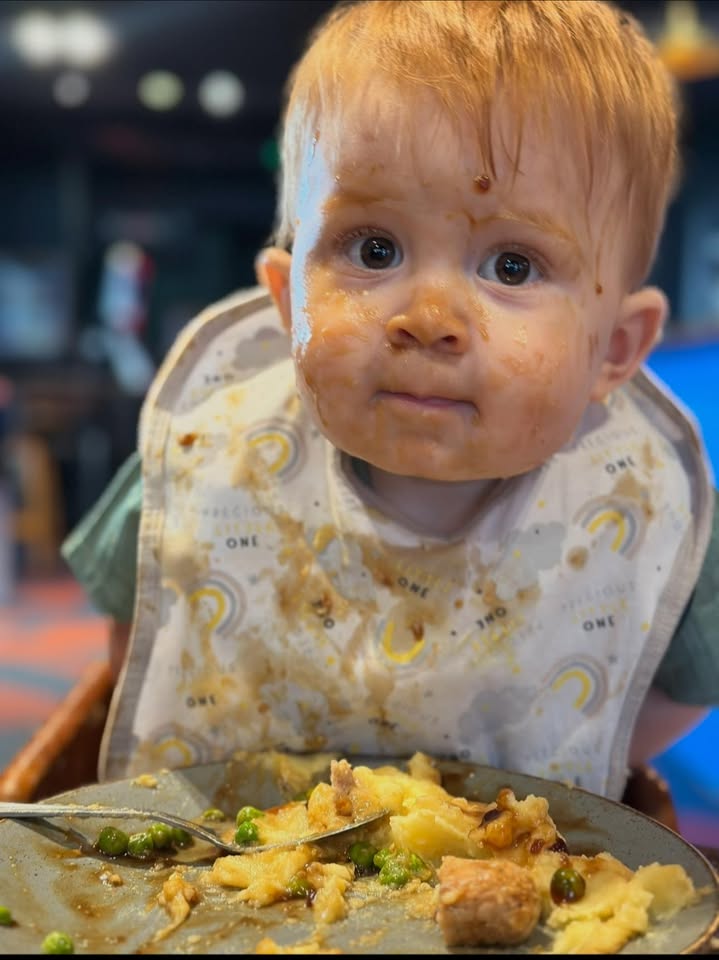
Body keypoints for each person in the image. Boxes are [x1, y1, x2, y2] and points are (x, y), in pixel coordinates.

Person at [62, 0, 717, 801]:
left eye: (511, 266)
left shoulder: (634, 496)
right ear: (287, 302)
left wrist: (571, 738)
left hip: (509, 864)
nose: (429, 318)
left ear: (612, 348)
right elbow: (139, 622)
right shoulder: (215, 451)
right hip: (224, 860)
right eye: (374, 250)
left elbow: (691, 676)